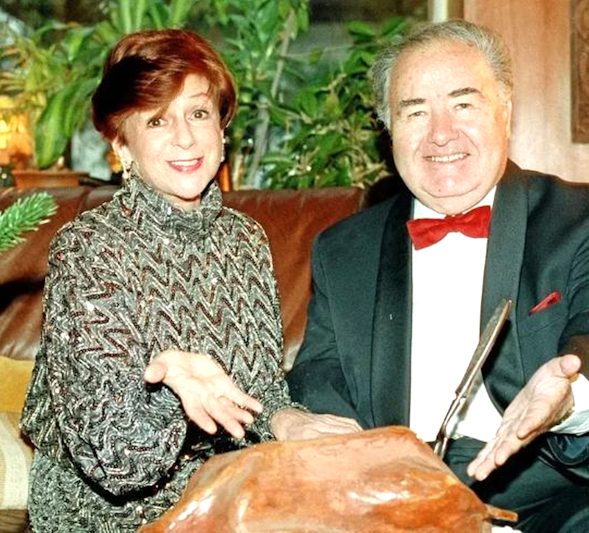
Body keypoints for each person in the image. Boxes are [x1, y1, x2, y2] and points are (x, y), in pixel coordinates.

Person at [287, 19, 589, 532]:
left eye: (463, 104)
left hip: (553, 493)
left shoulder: (585, 218)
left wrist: (567, 398)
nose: (441, 133)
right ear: (389, 130)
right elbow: (319, 376)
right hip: (396, 500)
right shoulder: (343, 249)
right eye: (415, 112)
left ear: (504, 111)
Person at [20, 28, 356, 532]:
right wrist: (174, 391)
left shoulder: (245, 239)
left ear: (221, 128)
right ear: (121, 143)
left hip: (227, 491)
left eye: (198, 113)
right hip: (108, 513)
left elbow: (260, 389)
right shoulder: (89, 248)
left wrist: (290, 421)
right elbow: (115, 461)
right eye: (157, 120)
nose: (185, 137)